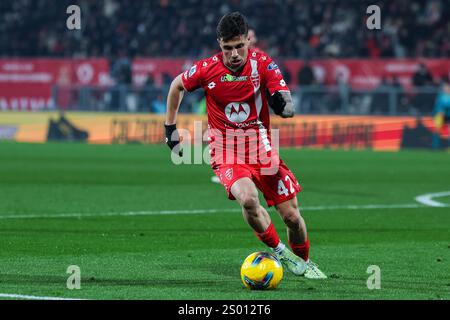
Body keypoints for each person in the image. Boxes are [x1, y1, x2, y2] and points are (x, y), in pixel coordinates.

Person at [164, 12, 326, 279]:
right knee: (248, 199)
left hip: (261, 148)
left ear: (248, 41)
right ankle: (282, 253)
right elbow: (176, 85)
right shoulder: (207, 69)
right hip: (225, 149)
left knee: (292, 218)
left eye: (239, 46)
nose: (235, 54)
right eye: (228, 48)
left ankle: (304, 262)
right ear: (220, 45)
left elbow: (286, 103)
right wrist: (169, 128)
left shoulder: (263, 64)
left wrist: (282, 105)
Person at [432, 82, 450, 149]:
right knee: (437, 129)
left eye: (447, 88)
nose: (446, 89)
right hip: (440, 115)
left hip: (448, 115)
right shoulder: (440, 96)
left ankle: (448, 146)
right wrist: (439, 111)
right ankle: (435, 146)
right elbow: (437, 106)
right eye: (445, 88)